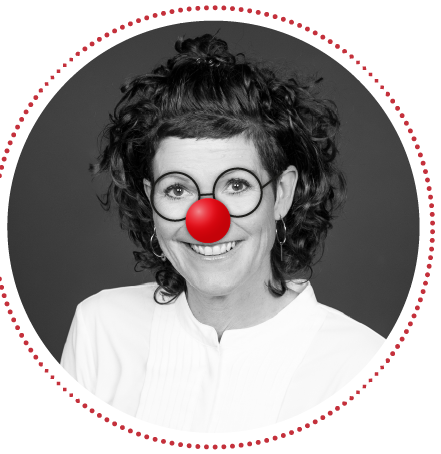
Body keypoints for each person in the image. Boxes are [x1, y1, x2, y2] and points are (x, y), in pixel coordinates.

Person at [60, 34, 385, 433]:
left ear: (281, 194)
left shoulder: (363, 368)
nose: (206, 220)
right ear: (151, 199)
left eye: (236, 185)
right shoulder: (100, 329)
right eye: (177, 190)